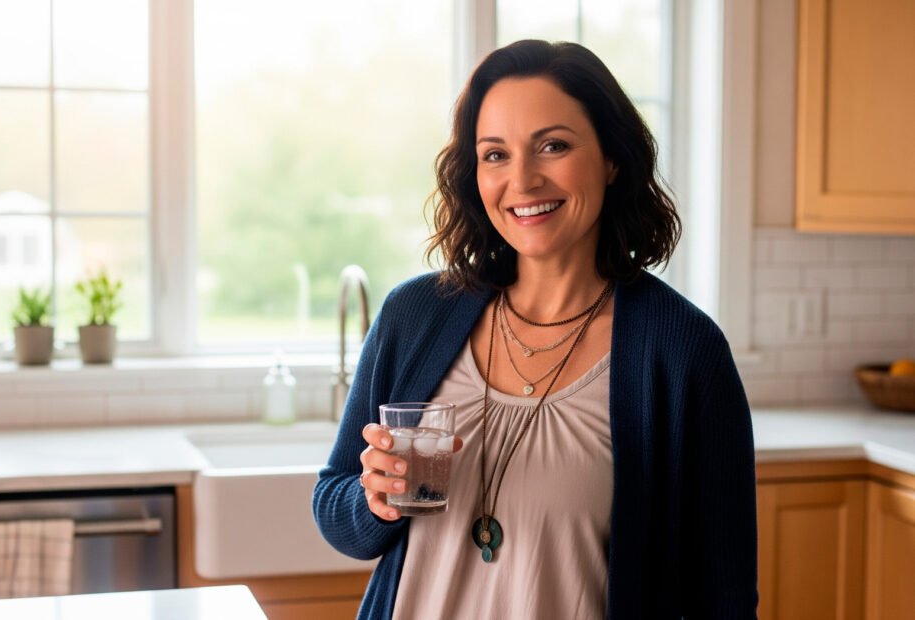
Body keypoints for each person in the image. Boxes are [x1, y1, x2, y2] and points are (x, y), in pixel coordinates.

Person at [313, 39, 757, 619]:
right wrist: (373, 502)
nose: (522, 180)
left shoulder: (681, 353)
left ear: (612, 159)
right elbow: (337, 508)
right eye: (495, 154)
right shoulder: (414, 316)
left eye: (553, 146)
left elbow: (723, 597)